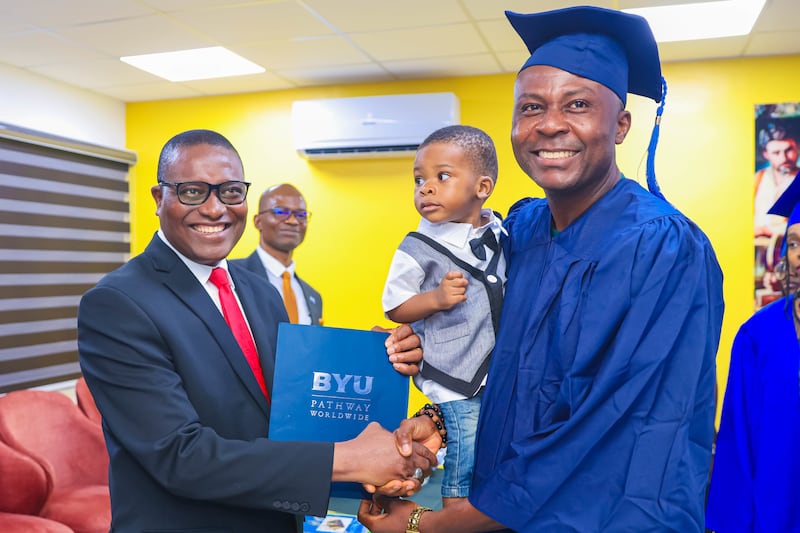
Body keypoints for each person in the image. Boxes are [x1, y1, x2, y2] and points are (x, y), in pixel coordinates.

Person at [359, 5, 724, 532]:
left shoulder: (661, 247)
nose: (550, 124)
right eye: (531, 107)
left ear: (620, 125)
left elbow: (611, 427)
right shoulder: (522, 230)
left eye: (578, 104)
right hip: (498, 507)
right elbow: (511, 370)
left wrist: (430, 525)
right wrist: (443, 417)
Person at [77, 129, 438, 533]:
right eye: (193, 191)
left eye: (231, 191)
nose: (216, 209)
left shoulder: (259, 292)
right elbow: (180, 456)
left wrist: (377, 359)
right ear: (159, 199)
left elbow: (289, 412)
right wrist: (350, 458)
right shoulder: (118, 303)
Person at [382, 124, 505, 507]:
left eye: (442, 176)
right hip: (453, 368)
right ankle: (455, 509)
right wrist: (434, 299)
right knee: (465, 444)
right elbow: (395, 305)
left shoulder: (502, 230)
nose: (426, 187)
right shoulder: (417, 246)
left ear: (482, 188)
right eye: (418, 179)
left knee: (492, 443)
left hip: (495, 367)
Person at [706, 175, 800, 531]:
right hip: (772, 514)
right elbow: (737, 440)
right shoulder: (756, 335)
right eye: (793, 243)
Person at [232, 183, 322, 326]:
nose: (292, 221)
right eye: (281, 212)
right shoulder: (231, 276)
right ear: (258, 221)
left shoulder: (313, 297)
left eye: (301, 214)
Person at [753, 122, 799, 238]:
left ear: (797, 148)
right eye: (776, 152)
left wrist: (766, 230)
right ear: (766, 154)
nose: (784, 158)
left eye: (789, 150)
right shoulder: (757, 179)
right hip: (757, 250)